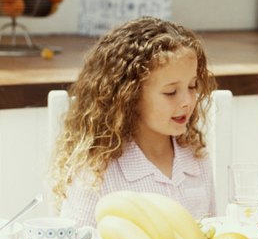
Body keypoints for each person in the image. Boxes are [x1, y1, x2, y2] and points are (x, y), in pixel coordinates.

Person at [50, 17, 218, 227]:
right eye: (171, 92)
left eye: (193, 86)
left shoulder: (196, 158)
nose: (187, 101)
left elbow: (212, 234)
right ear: (129, 96)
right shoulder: (97, 172)